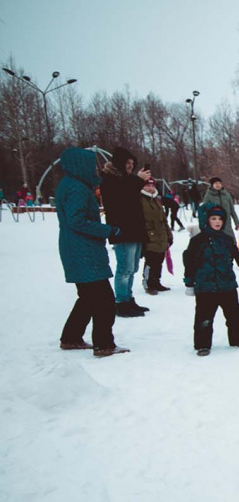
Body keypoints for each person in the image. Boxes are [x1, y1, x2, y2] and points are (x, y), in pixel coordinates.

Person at [56, 147, 129, 357]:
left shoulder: (68, 184)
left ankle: (71, 337)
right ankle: (104, 344)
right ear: (80, 165)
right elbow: (77, 220)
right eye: (91, 165)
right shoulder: (77, 188)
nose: (95, 170)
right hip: (83, 250)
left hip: (75, 248)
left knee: (87, 297)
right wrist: (108, 230)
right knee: (104, 299)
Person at [183, 204, 239, 356]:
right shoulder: (198, 240)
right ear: (206, 220)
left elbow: (234, 256)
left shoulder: (226, 239)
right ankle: (202, 344)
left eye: (220, 219)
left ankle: (238, 339)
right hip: (206, 286)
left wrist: (238, 267)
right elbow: (189, 261)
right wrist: (189, 281)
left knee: (234, 314)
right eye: (213, 218)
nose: (217, 222)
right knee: (204, 317)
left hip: (227, 284)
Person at [101, 147, 151, 318]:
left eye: (132, 163)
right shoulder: (110, 179)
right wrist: (137, 180)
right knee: (125, 268)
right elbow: (121, 198)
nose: (130, 166)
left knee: (132, 268)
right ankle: (121, 302)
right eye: (127, 163)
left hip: (134, 229)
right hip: (122, 230)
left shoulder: (127, 180)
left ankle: (128, 299)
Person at [140, 179, 173, 295]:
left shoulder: (156, 200)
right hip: (149, 236)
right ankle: (148, 283)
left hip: (161, 235)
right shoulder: (140, 200)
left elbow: (163, 219)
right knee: (151, 261)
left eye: (152, 185)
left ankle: (156, 282)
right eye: (147, 185)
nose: (150, 188)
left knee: (159, 260)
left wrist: (169, 235)